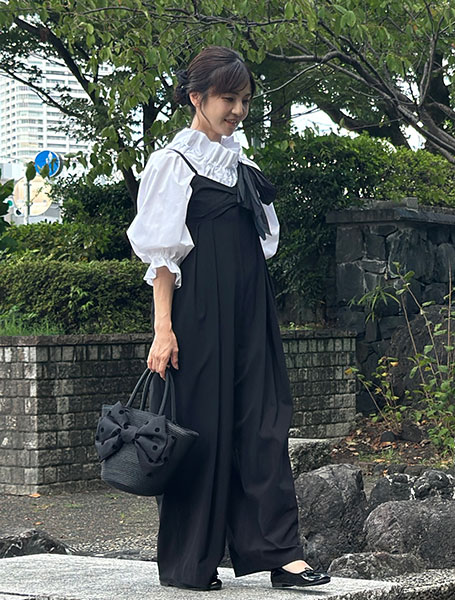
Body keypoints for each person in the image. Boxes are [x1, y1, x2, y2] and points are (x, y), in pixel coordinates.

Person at [126, 46, 330, 592]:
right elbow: (163, 258)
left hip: (251, 310)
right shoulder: (174, 164)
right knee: (203, 429)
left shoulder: (244, 165)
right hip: (198, 312)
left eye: (244, 100)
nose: (237, 110)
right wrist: (163, 329)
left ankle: (282, 555)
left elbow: (263, 244)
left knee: (264, 424)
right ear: (197, 98)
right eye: (227, 99)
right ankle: (191, 561)